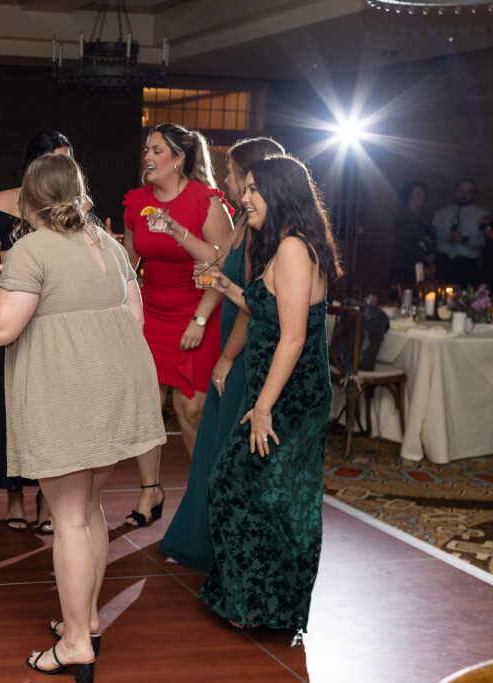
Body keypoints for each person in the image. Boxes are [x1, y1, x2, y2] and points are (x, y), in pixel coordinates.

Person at [0, 153, 165, 680]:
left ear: (28, 201)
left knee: (70, 519)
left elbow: (4, 329)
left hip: (68, 392)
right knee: (91, 508)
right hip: (116, 387)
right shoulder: (106, 242)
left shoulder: (30, 249)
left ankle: (77, 641)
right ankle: (88, 620)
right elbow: (135, 315)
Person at [202, 154, 341, 634]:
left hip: (289, 396)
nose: (245, 197)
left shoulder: (294, 250)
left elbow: (295, 336)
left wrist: (263, 407)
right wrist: (225, 285)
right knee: (264, 493)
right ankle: (259, 602)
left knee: (254, 490)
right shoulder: (285, 247)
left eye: (254, 189)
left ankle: (264, 604)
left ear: (279, 194)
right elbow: (267, 308)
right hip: (276, 390)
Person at [159, 136, 285, 571]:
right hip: (228, 331)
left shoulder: (263, 231)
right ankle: (209, 538)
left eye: (233, 172)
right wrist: (182, 239)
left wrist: (228, 358)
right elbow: (218, 262)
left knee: (229, 448)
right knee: (213, 443)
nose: (228, 180)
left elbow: (254, 304)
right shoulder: (240, 222)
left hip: (243, 344)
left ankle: (228, 547)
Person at [120, 123, 233, 528]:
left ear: (179, 158)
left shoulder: (207, 202)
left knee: (192, 408)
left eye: (156, 151)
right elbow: (129, 268)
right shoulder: (136, 202)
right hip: (151, 314)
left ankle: (206, 495)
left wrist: (200, 319)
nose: (147, 157)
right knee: (148, 409)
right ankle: (150, 490)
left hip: (200, 310)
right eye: (146, 150)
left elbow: (222, 265)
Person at [0, 128, 73, 533]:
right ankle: (14, 496)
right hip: (8, 312)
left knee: (48, 412)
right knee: (9, 408)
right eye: (56, 160)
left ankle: (48, 496)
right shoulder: (3, 202)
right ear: (33, 165)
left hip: (52, 318)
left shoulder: (76, 208)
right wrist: (32, 245)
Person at [432, 178, 489, 287]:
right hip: (443, 262)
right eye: (461, 190)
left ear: (473, 194)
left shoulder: (482, 215)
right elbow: (432, 236)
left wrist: (465, 240)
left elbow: (484, 241)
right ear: (455, 191)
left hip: (465, 264)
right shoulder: (442, 212)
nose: (464, 195)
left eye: (468, 192)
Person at [390, 180, 435, 285]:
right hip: (406, 267)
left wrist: (431, 260)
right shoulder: (403, 220)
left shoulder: (425, 221)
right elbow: (407, 246)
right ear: (409, 196)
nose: (422, 197)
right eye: (418, 194)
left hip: (422, 267)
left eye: (424, 194)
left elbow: (430, 243)